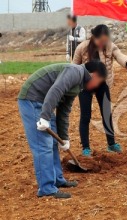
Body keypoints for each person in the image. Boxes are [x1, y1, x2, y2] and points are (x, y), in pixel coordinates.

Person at [18, 61, 108, 199]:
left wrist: (63, 137)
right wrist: (45, 117)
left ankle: (57, 179)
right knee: (43, 145)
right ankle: (46, 188)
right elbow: (56, 90)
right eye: (99, 81)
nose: (97, 86)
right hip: (32, 99)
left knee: (53, 142)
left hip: (43, 102)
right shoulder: (75, 71)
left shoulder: (79, 85)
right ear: (94, 75)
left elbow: (64, 111)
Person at [73, 24, 127, 157]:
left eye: (105, 40)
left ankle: (111, 144)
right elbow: (73, 67)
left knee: (106, 113)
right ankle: (86, 148)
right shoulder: (82, 48)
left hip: (103, 84)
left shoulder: (109, 46)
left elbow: (119, 55)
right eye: (101, 40)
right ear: (94, 37)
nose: (103, 43)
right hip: (85, 85)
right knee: (85, 116)